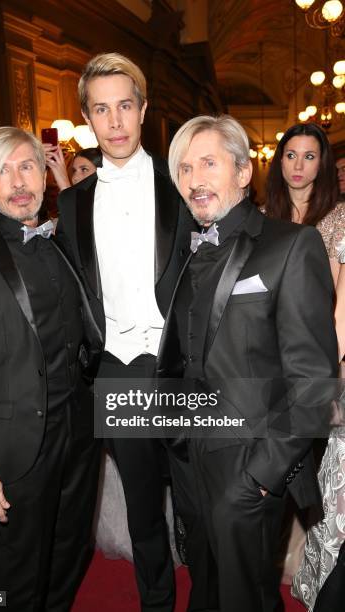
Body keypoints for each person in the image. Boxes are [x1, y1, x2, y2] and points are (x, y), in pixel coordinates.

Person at [156, 114, 338, 612]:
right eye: (186, 168)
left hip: (250, 460)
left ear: (242, 172)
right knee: (207, 589)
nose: (195, 179)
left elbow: (314, 381)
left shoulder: (290, 245)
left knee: (247, 599)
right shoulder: (187, 253)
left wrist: (261, 475)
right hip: (191, 458)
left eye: (208, 163)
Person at [0, 126, 103, 611]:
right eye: (3, 172)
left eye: (27, 166)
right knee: (19, 573)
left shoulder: (62, 244)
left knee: (71, 553)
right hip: (14, 447)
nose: (18, 181)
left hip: (78, 436)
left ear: (43, 176)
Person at [57, 52, 197, 612]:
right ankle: (158, 604)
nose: (114, 122)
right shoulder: (70, 203)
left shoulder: (182, 181)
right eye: (100, 110)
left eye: (124, 106)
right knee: (142, 510)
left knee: (201, 501)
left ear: (142, 110)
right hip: (116, 369)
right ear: (88, 119)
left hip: (186, 362)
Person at [263, 123, 345, 611]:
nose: (297, 165)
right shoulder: (262, 217)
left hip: (319, 363)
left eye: (309, 156)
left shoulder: (337, 219)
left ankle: (314, 568)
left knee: (312, 469)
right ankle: (270, 564)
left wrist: (328, 371)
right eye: (289, 154)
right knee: (276, 468)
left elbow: (339, 306)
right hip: (269, 363)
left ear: (323, 164)